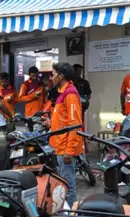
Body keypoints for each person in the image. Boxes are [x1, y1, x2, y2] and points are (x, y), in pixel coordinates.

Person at [47, 62, 83, 207]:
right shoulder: (63, 92)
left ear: (61, 76)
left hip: (65, 149)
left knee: (68, 185)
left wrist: (69, 151)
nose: (52, 77)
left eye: (53, 74)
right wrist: (50, 123)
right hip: (59, 146)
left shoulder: (70, 93)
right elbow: (63, 119)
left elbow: (75, 124)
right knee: (63, 183)